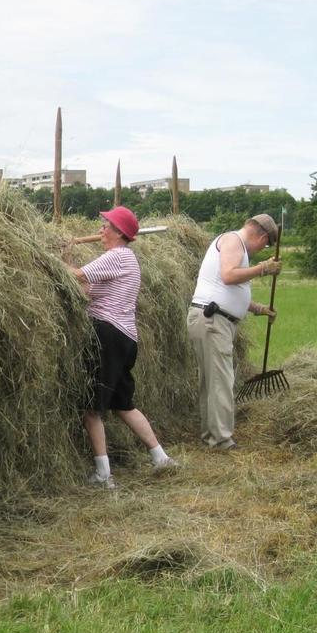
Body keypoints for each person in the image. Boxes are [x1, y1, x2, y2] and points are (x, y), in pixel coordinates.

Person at [65, 206, 176, 490]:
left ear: (117, 232)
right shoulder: (125, 260)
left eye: (105, 226)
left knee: (92, 408)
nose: (100, 231)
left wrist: (50, 258)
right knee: (124, 405)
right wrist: (66, 255)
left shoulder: (116, 256)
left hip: (108, 336)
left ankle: (103, 475)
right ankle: (160, 458)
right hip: (125, 338)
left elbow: (77, 275)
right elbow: (85, 290)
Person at [186, 214, 281, 450]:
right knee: (220, 381)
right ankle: (221, 440)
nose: (262, 249)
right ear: (261, 236)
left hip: (213, 319)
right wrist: (263, 269)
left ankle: (212, 435)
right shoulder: (232, 241)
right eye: (266, 244)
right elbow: (229, 276)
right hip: (212, 321)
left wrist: (258, 308)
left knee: (213, 381)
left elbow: (225, 288)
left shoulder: (234, 244)